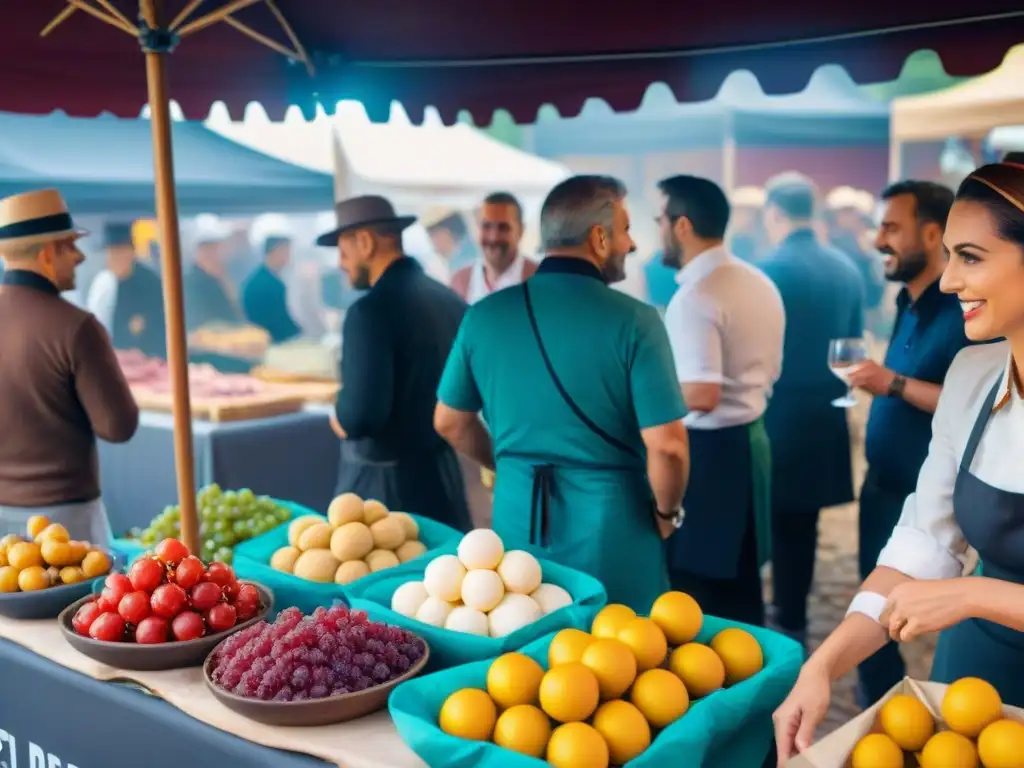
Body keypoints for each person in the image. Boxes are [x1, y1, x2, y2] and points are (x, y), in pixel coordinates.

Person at [773, 160, 1024, 761]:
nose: (947, 282)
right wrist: (824, 665)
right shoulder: (971, 377)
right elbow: (923, 545)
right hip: (971, 685)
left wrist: (972, 597)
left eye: (971, 256)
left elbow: (955, 587)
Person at [433, 175, 690, 611]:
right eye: (626, 230)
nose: (631, 245)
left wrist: (508, 462)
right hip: (612, 526)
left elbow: (449, 422)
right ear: (599, 236)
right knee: (621, 661)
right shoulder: (638, 321)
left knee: (527, 657)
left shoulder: (483, 316)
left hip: (515, 518)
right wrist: (668, 514)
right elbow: (668, 447)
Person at [848, 180, 971, 704]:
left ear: (932, 232)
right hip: (882, 484)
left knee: (898, 609)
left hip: (925, 497)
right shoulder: (906, 297)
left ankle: (891, 702)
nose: (879, 240)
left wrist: (891, 383)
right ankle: (880, 697)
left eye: (891, 228)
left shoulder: (966, 310)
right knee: (870, 598)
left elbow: (973, 399)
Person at [658, 175, 785, 626]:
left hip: (709, 459)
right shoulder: (758, 281)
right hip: (750, 444)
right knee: (742, 593)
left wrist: (637, 400)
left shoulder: (696, 296)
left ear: (682, 226)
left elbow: (702, 394)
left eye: (660, 218)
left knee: (699, 605)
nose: (657, 228)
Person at [317, 195, 472, 532]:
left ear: (365, 241)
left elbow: (360, 416)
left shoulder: (369, 312)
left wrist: (337, 413)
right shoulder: (448, 299)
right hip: (443, 481)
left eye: (343, 249)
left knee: (380, 585)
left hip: (384, 496)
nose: (341, 262)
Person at [758, 173, 865, 646]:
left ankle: (777, 616)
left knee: (774, 519)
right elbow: (854, 345)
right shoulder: (845, 268)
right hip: (825, 410)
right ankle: (793, 614)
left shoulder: (767, 269)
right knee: (803, 523)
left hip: (776, 412)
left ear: (773, 213)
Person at [0, 190, 139, 544]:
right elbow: (118, 426)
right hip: (66, 523)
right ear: (47, 254)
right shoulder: (77, 326)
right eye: (69, 246)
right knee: (74, 601)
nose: (79, 257)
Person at [86, 222, 167, 359]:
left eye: (119, 252)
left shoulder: (151, 282)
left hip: (148, 359)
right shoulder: (102, 282)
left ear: (131, 252)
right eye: (111, 253)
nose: (114, 258)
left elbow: (160, 326)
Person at [450, 192, 538, 303]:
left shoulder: (538, 279)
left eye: (503, 228)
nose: (494, 237)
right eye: (486, 226)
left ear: (520, 230)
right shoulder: (460, 282)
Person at [241, 234, 303, 343]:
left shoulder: (265, 278)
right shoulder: (266, 284)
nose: (288, 256)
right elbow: (278, 320)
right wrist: (300, 334)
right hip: (268, 342)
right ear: (275, 251)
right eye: (286, 251)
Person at [183, 223, 243, 331]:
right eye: (213, 249)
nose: (221, 254)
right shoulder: (191, 282)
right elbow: (198, 322)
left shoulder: (221, 277)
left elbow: (234, 312)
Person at [423, 208, 478, 274]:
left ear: (445, 233)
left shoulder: (463, 262)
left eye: (432, 235)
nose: (432, 243)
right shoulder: (467, 252)